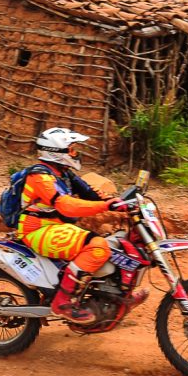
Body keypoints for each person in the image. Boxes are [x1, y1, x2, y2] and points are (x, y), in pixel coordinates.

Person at [17, 127, 149, 324]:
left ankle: (118, 298)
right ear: (56, 152)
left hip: (57, 229)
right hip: (37, 230)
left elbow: (93, 194)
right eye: (71, 149)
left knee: (119, 244)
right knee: (97, 248)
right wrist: (105, 206)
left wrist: (122, 204)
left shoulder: (64, 174)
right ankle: (63, 302)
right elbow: (66, 205)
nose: (75, 153)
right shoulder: (40, 176)